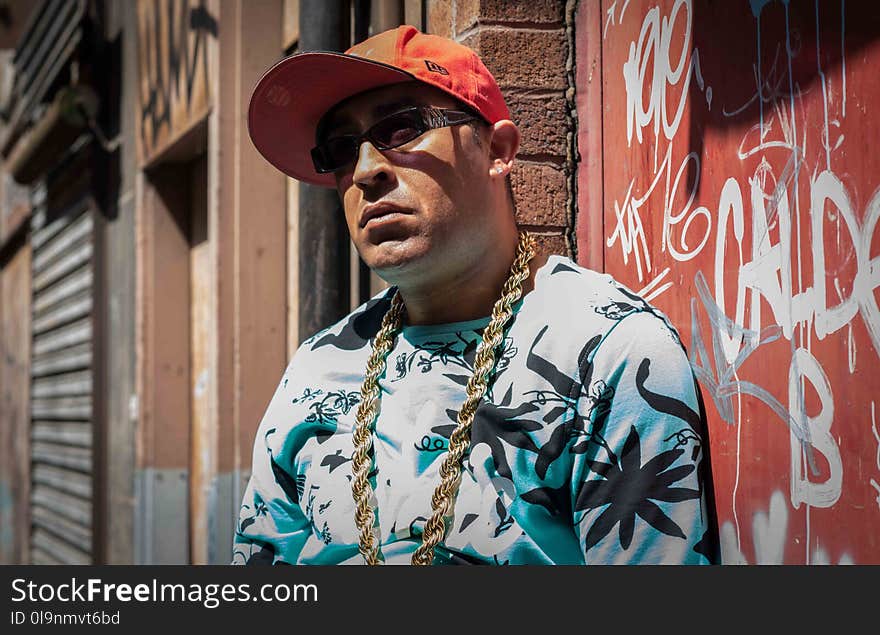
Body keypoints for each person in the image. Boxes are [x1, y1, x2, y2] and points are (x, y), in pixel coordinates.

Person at [233, 25, 719, 565]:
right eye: (342, 149)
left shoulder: (607, 351)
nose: (366, 171)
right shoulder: (316, 369)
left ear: (498, 150)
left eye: (401, 128)